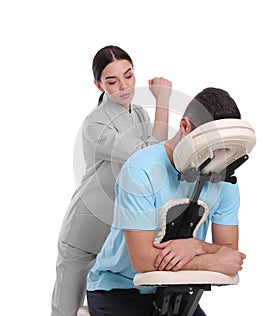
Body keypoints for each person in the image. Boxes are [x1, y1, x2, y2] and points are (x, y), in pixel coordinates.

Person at [86, 87, 247, 316]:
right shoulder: (141, 169)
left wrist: (196, 246)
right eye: (211, 144)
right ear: (184, 127)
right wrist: (208, 261)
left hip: (176, 290)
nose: (217, 154)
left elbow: (229, 253)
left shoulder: (224, 182)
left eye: (224, 147)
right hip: (118, 288)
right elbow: (142, 259)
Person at [51, 45, 172, 316]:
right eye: (112, 81)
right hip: (86, 231)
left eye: (128, 76)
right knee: (66, 310)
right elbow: (149, 159)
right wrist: (163, 103)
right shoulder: (96, 123)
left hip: (118, 235)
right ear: (98, 84)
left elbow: (156, 155)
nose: (124, 86)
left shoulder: (138, 113)